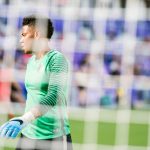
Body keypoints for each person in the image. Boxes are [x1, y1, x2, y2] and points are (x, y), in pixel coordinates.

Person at [0, 15, 73, 150]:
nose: (21, 40)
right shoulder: (31, 61)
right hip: (28, 134)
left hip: (53, 138)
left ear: (37, 34)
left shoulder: (57, 60)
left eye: (24, 35)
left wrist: (25, 118)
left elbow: (54, 95)